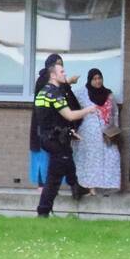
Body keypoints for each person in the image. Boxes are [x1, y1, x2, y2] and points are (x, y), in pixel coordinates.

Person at [34, 61, 98, 217]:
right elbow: (69, 115)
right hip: (55, 141)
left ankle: (76, 187)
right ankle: (43, 211)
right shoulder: (55, 94)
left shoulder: (42, 92)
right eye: (62, 72)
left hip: (48, 136)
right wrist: (88, 110)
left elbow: (51, 118)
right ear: (53, 75)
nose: (65, 74)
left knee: (68, 157)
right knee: (54, 178)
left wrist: (69, 132)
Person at [29, 53, 81, 194]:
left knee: (61, 157)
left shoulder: (59, 81)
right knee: (44, 157)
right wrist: (68, 82)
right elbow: (50, 92)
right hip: (44, 125)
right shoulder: (43, 79)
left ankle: (63, 186)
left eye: (61, 63)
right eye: (57, 63)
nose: (60, 66)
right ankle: (43, 186)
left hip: (57, 126)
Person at [73, 69, 121, 197]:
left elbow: (115, 113)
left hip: (107, 133)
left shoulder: (108, 94)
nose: (98, 81)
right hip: (88, 133)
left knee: (111, 157)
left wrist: (115, 129)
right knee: (91, 160)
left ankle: (106, 187)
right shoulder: (81, 93)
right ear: (89, 80)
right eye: (94, 79)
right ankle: (91, 189)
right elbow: (71, 106)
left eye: (100, 78)